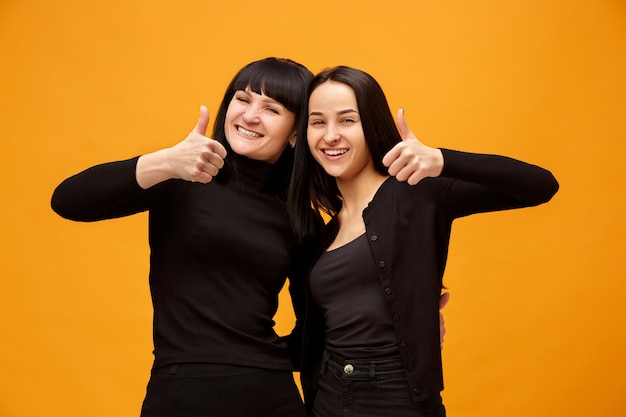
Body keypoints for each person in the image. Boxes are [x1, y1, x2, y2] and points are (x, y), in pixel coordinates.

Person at [50, 58, 449, 417]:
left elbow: (317, 329)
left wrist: (409, 326)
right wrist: (164, 161)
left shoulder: (301, 220)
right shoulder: (181, 178)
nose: (252, 115)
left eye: (272, 109)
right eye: (243, 99)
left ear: (297, 133)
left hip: (271, 393)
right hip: (181, 390)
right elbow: (69, 201)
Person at [287, 66, 559, 417]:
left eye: (347, 120)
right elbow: (311, 338)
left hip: (396, 397)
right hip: (327, 395)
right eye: (318, 122)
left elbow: (540, 185)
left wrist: (443, 160)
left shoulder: (417, 190)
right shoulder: (323, 232)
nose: (331, 136)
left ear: (372, 124)